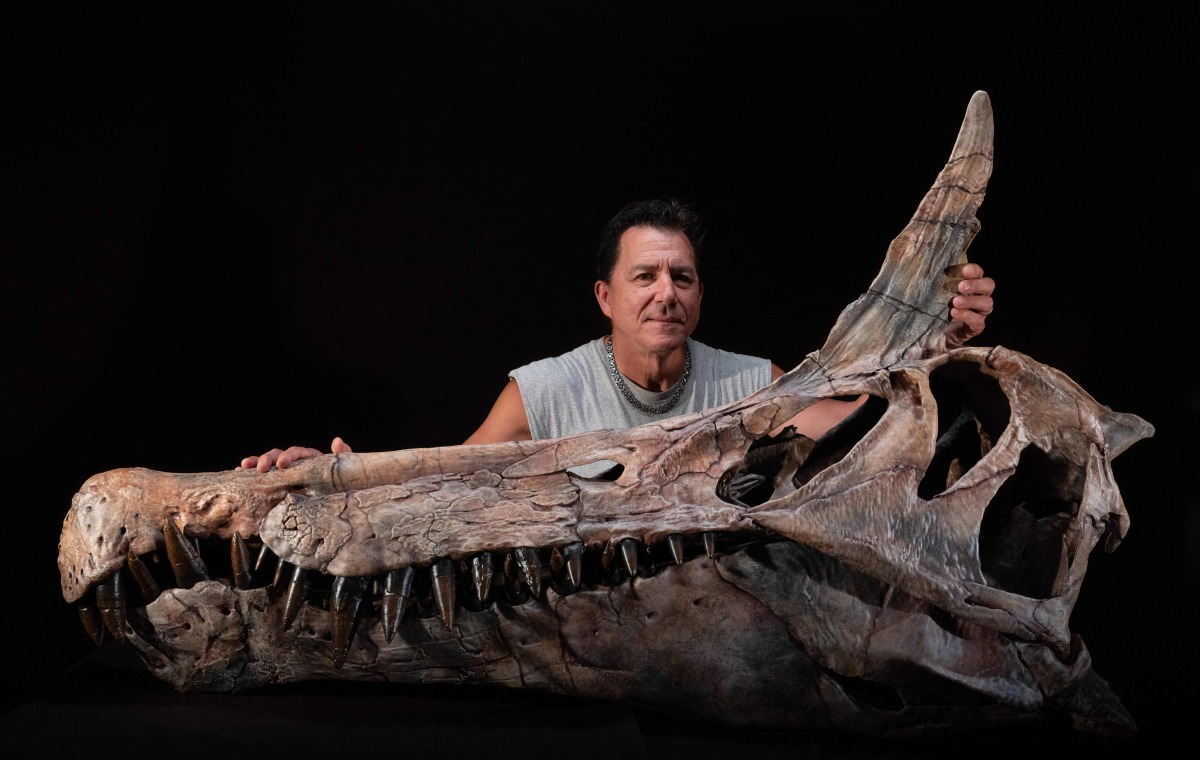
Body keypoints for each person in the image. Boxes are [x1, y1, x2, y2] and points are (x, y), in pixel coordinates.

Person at [240, 198, 994, 472]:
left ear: (699, 297)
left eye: (683, 278)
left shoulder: (751, 384)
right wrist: (341, 476)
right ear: (605, 296)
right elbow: (447, 476)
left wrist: (937, 343)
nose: (667, 293)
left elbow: (868, 434)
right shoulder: (542, 391)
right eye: (645, 276)